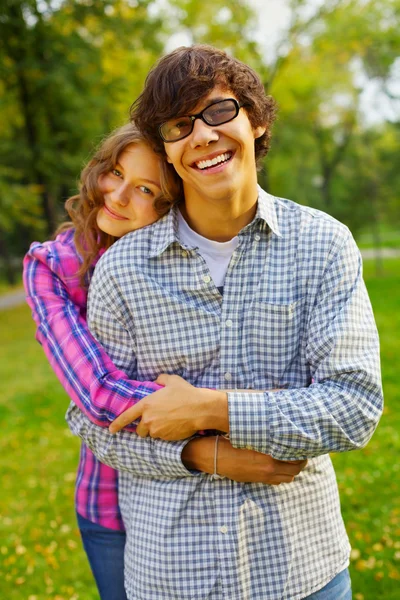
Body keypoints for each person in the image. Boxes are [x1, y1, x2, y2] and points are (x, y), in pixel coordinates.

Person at [66, 45, 383, 599]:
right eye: (179, 125)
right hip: (171, 575)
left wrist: (211, 410)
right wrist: (198, 453)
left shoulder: (324, 245)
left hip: (302, 572)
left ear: (255, 120)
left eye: (218, 111)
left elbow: (354, 404)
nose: (203, 136)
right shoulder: (122, 270)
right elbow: (95, 425)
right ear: (167, 151)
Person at [23, 122, 182, 600]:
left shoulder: (180, 257)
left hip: (188, 500)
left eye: (146, 188)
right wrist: (225, 413)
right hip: (110, 503)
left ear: (168, 203)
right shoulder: (51, 267)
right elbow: (97, 392)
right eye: (115, 172)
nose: (117, 194)